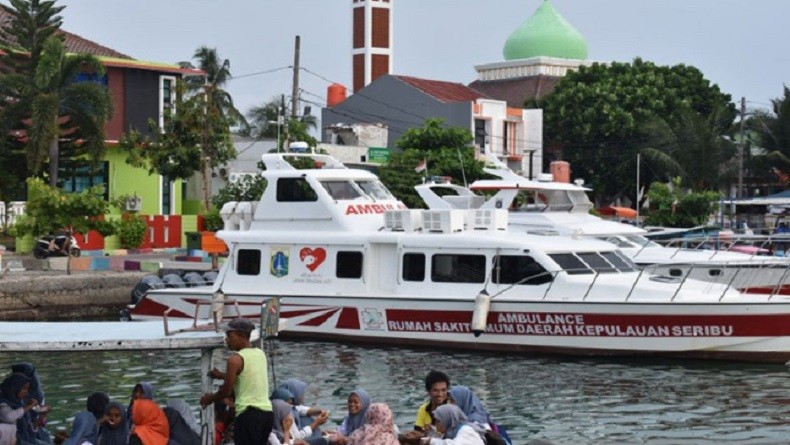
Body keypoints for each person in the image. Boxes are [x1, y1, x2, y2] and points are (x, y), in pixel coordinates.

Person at [200, 318, 273, 445]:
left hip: (248, 414)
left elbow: (226, 391)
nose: (226, 339)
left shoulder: (234, 360)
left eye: (229, 335)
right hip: (267, 414)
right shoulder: (260, 353)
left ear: (242, 336)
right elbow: (246, 376)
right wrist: (221, 375)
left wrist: (209, 399)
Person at [0, 374, 38, 445]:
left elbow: (31, 428)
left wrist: (41, 415)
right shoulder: (3, 404)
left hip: (27, 439)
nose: (26, 392)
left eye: (27, 389)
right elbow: (9, 417)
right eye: (24, 388)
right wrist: (29, 406)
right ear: (15, 388)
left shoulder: (20, 403)